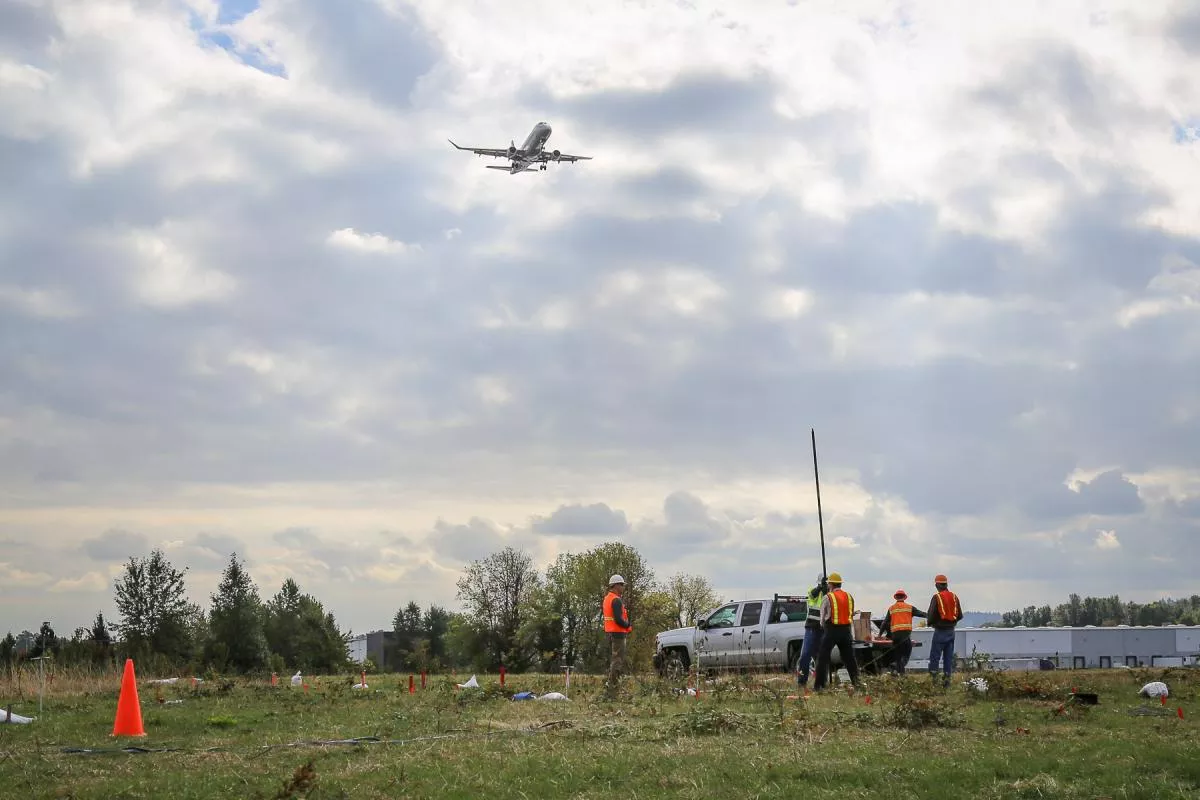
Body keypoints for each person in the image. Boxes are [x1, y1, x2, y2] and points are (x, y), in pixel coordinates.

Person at [813, 572, 861, 691]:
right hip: (846, 631)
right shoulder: (849, 597)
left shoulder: (828, 597)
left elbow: (822, 618)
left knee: (823, 658)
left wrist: (823, 626)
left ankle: (819, 686)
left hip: (831, 630)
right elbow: (850, 613)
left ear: (830, 584)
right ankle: (857, 684)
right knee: (849, 659)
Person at [926, 573, 963, 688]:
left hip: (940, 631)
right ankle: (947, 683)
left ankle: (934, 683)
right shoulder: (954, 597)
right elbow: (960, 615)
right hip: (951, 632)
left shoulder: (937, 597)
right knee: (948, 659)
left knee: (935, 658)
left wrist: (930, 623)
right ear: (946, 584)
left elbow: (931, 614)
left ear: (937, 585)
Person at [878, 588, 927, 675]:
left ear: (896, 598)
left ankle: (899, 672)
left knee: (898, 655)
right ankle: (897, 667)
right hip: (905, 635)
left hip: (895, 635)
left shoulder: (891, 608)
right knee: (907, 652)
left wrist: (879, 634)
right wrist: (932, 617)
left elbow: (884, 622)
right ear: (904, 597)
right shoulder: (910, 608)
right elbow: (922, 614)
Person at [795, 573, 828, 688]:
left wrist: (827, 592)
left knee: (822, 656)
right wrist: (820, 588)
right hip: (812, 627)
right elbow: (812, 596)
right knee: (805, 655)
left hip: (824, 628)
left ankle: (821, 683)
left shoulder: (829, 594)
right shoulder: (813, 591)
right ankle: (801, 681)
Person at [602, 574, 632, 697]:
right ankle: (612, 689)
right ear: (615, 585)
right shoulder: (616, 600)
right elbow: (619, 620)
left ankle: (612, 688)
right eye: (621, 585)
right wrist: (627, 625)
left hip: (611, 633)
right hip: (618, 633)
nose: (623, 587)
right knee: (617, 662)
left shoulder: (608, 598)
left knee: (615, 661)